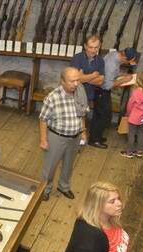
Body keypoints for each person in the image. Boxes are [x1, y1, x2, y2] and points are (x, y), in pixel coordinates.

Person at [39, 67, 89, 201]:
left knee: (68, 165)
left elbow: (82, 114)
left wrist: (83, 132)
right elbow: (43, 119)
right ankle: (45, 189)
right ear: (62, 81)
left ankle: (64, 187)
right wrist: (44, 140)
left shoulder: (80, 92)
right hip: (57, 137)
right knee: (50, 167)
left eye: (77, 80)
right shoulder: (53, 98)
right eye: (72, 81)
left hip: (75, 137)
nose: (76, 84)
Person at [71, 34, 107, 149]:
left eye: (96, 47)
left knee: (82, 118)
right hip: (74, 94)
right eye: (91, 47)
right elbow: (76, 79)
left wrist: (84, 77)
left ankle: (79, 142)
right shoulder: (77, 58)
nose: (93, 50)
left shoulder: (100, 61)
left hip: (88, 95)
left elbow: (101, 81)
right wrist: (93, 75)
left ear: (99, 46)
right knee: (73, 119)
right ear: (85, 46)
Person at [121, 71, 143, 159]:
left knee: (131, 134)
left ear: (138, 81)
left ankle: (129, 152)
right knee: (140, 133)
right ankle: (139, 151)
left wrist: (128, 113)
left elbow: (130, 105)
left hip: (134, 116)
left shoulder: (135, 92)